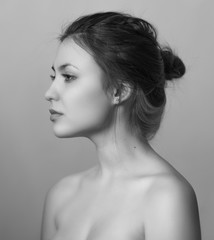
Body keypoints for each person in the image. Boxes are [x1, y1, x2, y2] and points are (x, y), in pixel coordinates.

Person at [42, 11, 201, 240]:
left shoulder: (166, 196)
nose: (50, 93)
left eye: (68, 77)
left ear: (119, 90)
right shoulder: (61, 195)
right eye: (53, 77)